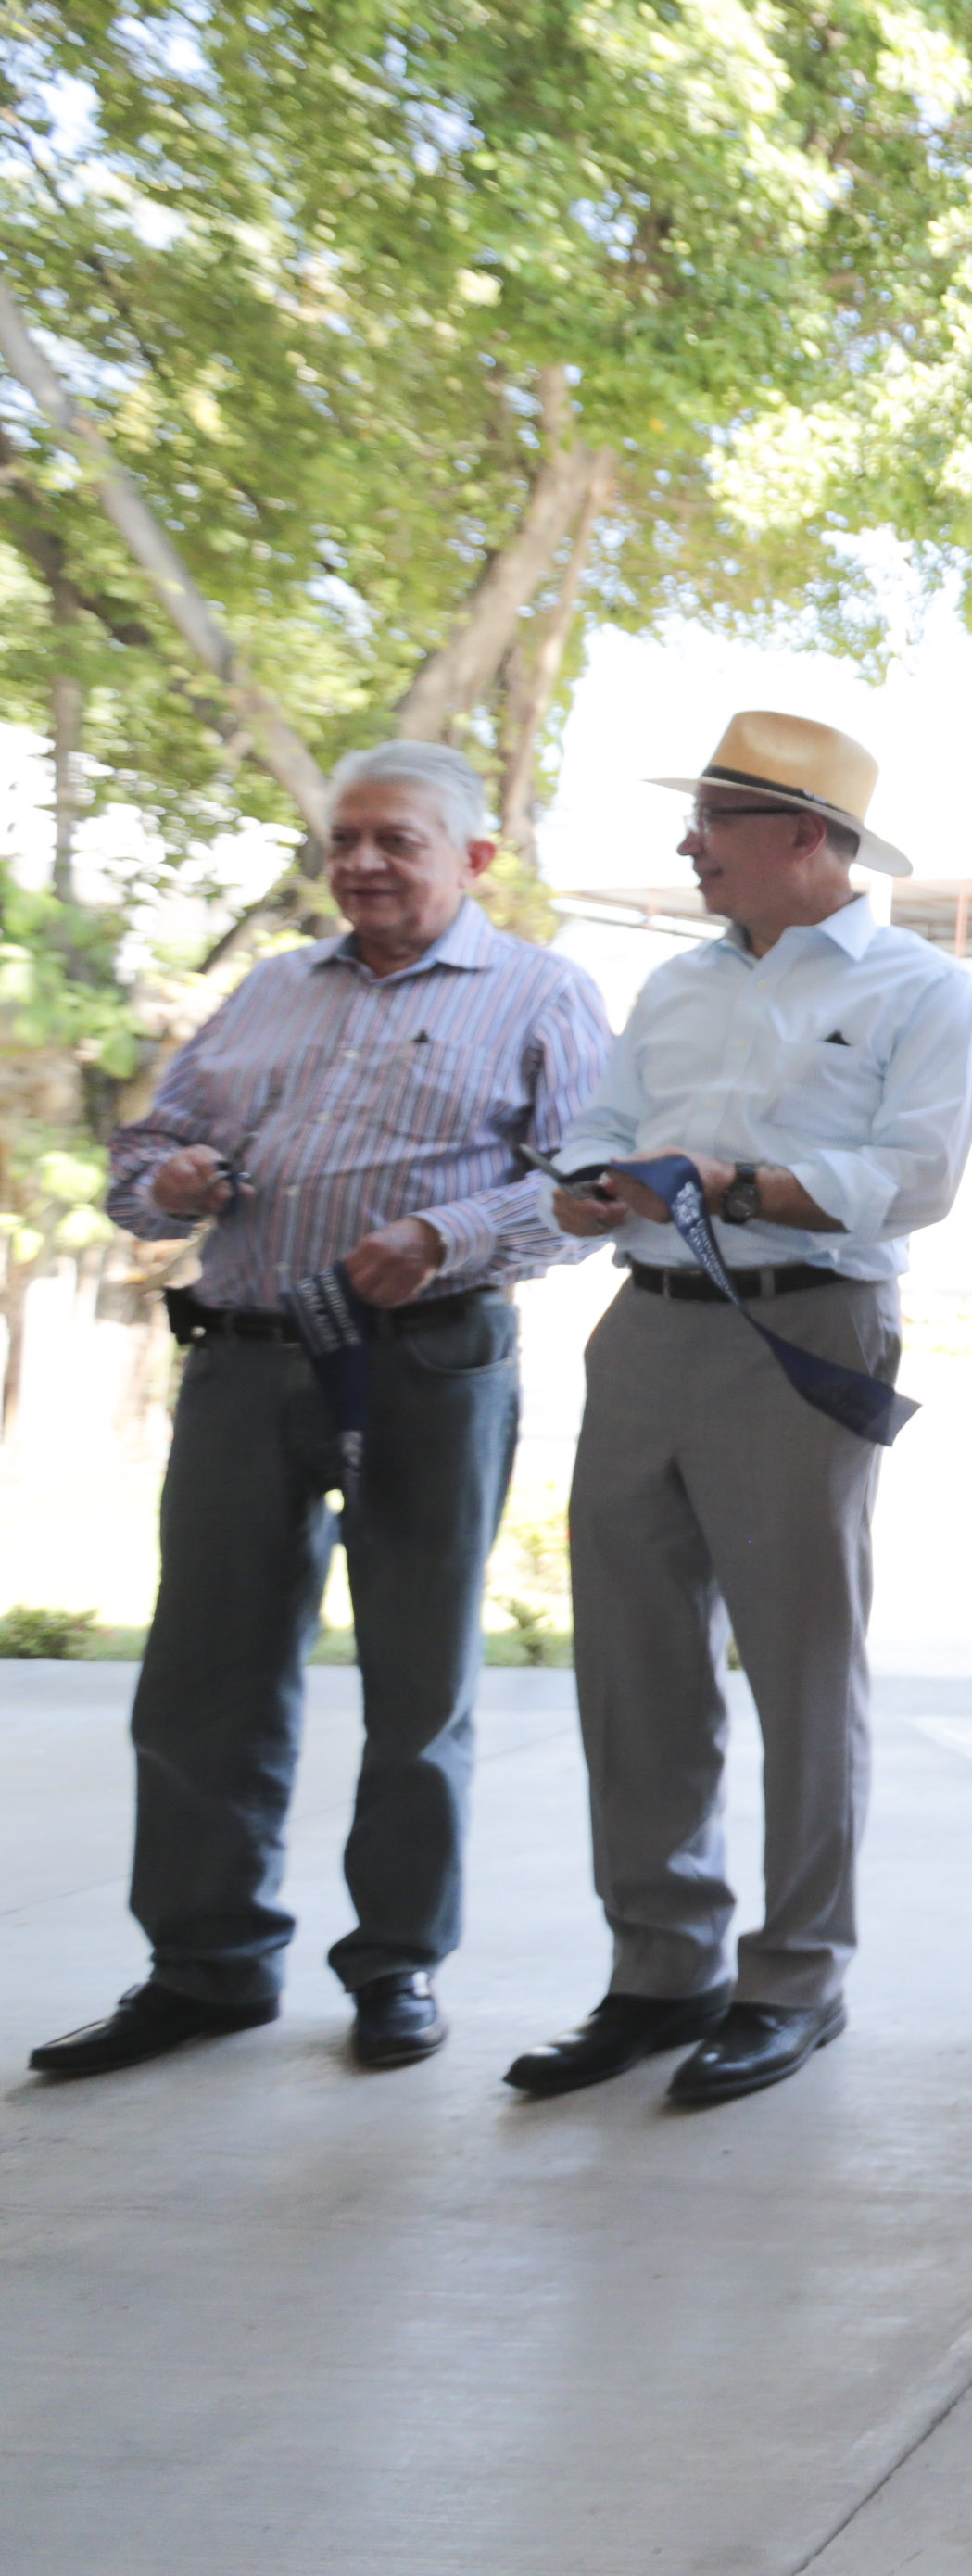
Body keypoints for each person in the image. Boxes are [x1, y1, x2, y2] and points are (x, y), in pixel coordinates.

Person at [31, 746, 608, 2081]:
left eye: (396, 840)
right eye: (345, 839)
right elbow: (136, 1165)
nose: (361, 863)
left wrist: (448, 1231)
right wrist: (168, 1179)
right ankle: (205, 1966)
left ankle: (396, 1963)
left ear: (471, 858)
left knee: (416, 1679)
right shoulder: (268, 988)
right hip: (241, 1358)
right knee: (201, 1682)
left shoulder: (540, 992)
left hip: (425, 1363)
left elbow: (590, 1185)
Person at [504, 712, 972, 2106]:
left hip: (803, 1330)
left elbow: (919, 1176)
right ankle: (660, 1968)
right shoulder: (670, 987)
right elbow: (602, 1128)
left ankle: (794, 1978)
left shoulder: (917, 986)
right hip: (643, 1332)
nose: (687, 844)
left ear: (807, 840)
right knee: (635, 1668)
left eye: (714, 819)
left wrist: (738, 1183)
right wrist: (588, 1185)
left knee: (799, 1666)